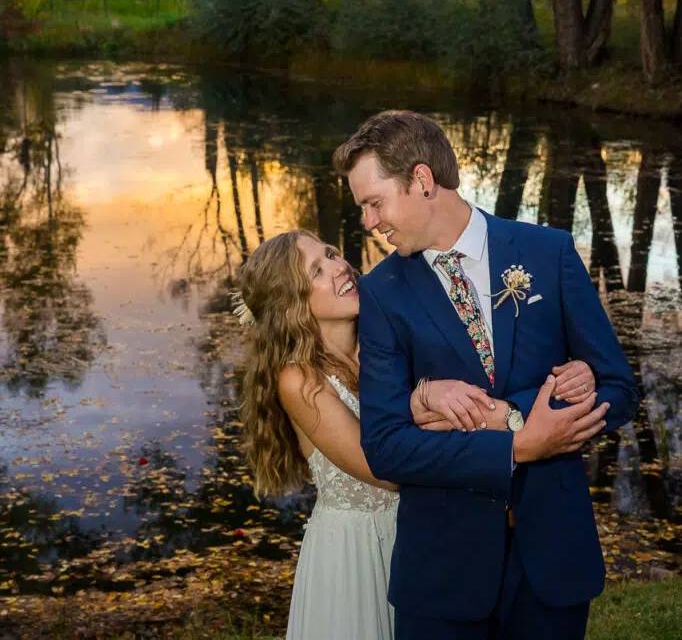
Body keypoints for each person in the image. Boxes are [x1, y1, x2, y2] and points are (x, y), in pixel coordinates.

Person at [333, 110, 639, 640]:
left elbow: (618, 388)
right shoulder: (380, 295)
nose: (368, 221)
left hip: (553, 559)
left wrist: (516, 412)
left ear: (422, 180)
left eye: (374, 202)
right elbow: (385, 446)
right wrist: (518, 445)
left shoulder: (548, 253)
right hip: (442, 574)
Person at [236, 229, 596, 640]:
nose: (341, 268)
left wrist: (574, 373)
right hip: (356, 550)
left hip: (428, 537)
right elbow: (383, 465)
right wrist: (426, 409)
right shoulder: (299, 380)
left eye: (332, 253)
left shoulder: (385, 335)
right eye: (318, 270)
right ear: (291, 305)